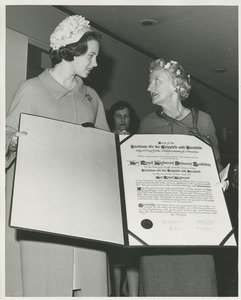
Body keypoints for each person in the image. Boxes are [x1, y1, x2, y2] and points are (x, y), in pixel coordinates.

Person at [5, 15, 110, 297]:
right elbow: (6, 141)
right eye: (90, 55)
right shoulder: (31, 90)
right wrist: (13, 143)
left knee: (86, 282)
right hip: (42, 212)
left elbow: (106, 156)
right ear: (71, 51)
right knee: (46, 282)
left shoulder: (91, 98)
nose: (95, 63)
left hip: (84, 211)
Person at [138, 58, 228, 296]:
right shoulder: (147, 124)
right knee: (158, 285)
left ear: (177, 85)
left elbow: (215, 166)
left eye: (156, 81)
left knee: (198, 285)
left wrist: (221, 182)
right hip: (158, 226)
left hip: (195, 225)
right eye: (150, 82)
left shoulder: (203, 121)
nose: (150, 88)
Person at [106, 100, 140, 296]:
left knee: (132, 255)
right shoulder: (105, 139)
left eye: (126, 116)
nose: (122, 120)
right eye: (119, 116)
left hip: (131, 205)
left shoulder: (136, 141)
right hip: (111, 205)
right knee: (114, 256)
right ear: (112, 118)